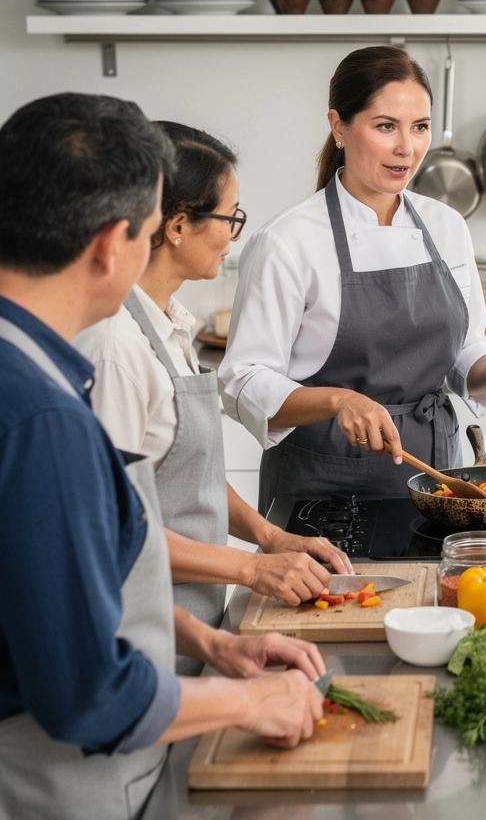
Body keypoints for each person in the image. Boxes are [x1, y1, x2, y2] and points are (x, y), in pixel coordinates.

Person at [0, 94, 322, 820]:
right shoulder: (43, 420)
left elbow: (60, 602)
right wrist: (252, 703)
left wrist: (207, 645)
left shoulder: (31, 374)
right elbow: (85, 695)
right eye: (149, 232)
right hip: (62, 792)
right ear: (116, 244)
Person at [219, 46, 486, 509]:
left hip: (436, 479)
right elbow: (242, 379)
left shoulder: (446, 226)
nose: (406, 148)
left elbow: (464, 348)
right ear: (338, 126)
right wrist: (338, 401)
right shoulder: (288, 242)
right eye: (385, 126)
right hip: (324, 483)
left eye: (420, 127)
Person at [75, 123, 351, 675]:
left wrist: (271, 538)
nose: (234, 236)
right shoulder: (116, 350)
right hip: (140, 638)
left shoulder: (170, 328)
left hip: (193, 622)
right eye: (230, 218)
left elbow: (183, 474)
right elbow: (110, 528)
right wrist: (249, 571)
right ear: (178, 225)